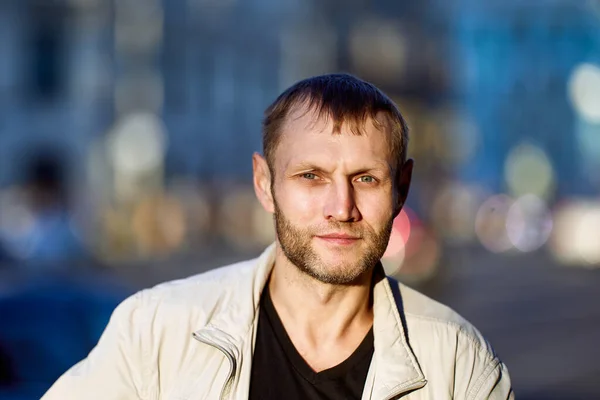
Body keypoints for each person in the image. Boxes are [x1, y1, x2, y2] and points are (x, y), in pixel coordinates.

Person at [42, 74, 513, 399]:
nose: (341, 208)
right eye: (311, 176)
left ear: (401, 189)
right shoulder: (157, 331)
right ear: (265, 184)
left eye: (366, 179)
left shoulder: (456, 361)